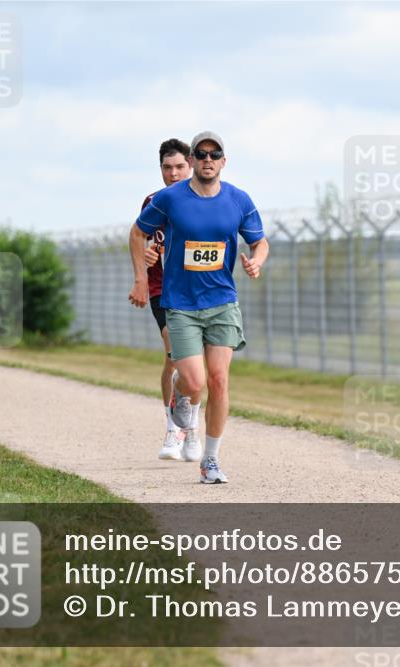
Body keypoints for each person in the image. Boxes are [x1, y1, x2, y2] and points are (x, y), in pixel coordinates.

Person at [130, 131, 268, 484]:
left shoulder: (239, 199)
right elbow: (137, 232)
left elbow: (259, 241)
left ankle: (210, 460)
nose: (207, 160)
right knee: (194, 381)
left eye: (214, 154)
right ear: (193, 160)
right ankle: (178, 395)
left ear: (224, 161)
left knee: (219, 380)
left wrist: (256, 261)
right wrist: (143, 279)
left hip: (222, 301)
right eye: (201, 154)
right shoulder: (169, 199)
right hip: (181, 304)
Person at [127, 138, 196, 462]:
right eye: (167, 168)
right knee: (177, 357)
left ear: (191, 165)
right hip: (163, 292)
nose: (173, 173)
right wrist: (144, 271)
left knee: (194, 366)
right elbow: (139, 236)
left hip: (199, 293)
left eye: (179, 166)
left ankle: (190, 427)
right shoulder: (154, 202)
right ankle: (173, 427)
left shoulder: (207, 200)